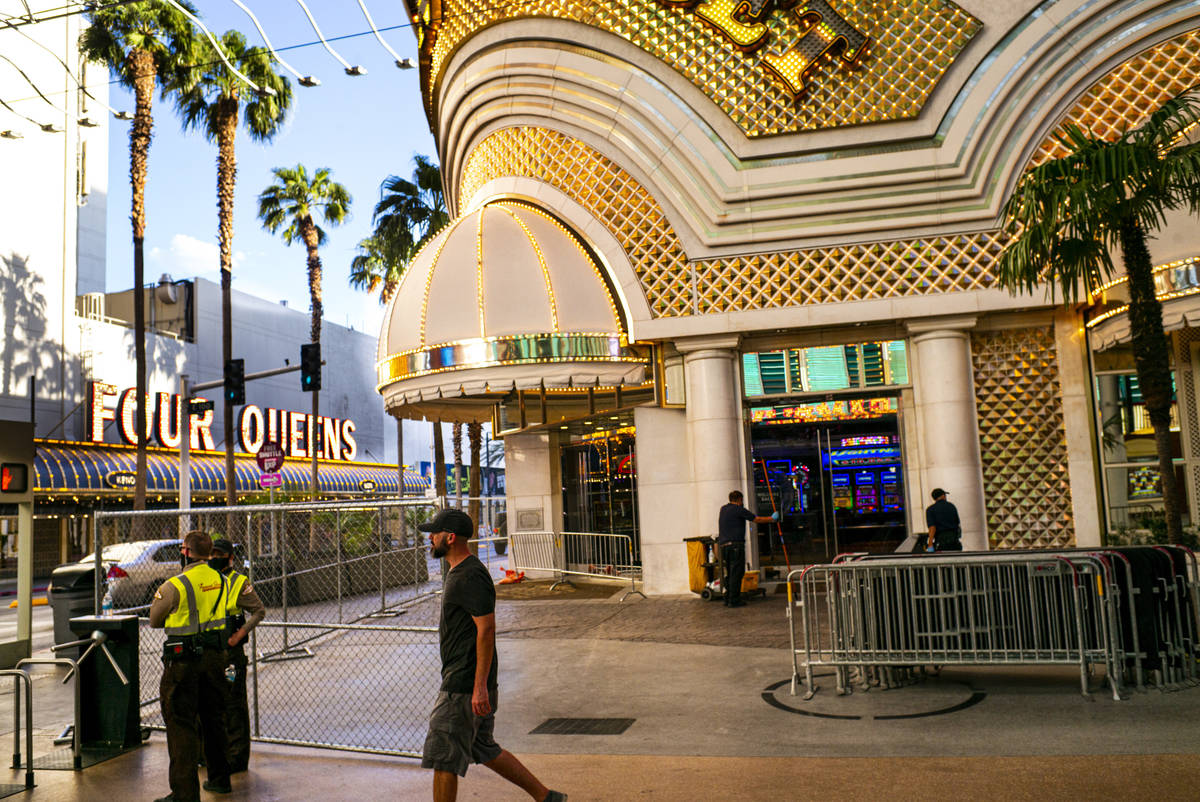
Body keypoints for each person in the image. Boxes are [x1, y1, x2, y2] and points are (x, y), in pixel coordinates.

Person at [417, 508, 566, 802]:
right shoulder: (460, 572)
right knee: (483, 748)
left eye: (434, 533)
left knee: (443, 757)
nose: (430, 538)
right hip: (469, 682)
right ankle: (547, 797)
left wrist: (479, 687)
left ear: (450, 537)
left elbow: (486, 630)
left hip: (463, 685)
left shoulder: (469, 575)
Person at [148, 530, 232, 802]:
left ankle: (185, 795)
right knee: (214, 719)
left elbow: (154, 620)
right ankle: (220, 780)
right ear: (209, 553)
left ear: (185, 552)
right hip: (216, 658)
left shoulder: (176, 585)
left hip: (183, 663)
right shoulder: (222, 580)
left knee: (181, 725)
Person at [209, 538, 265, 774]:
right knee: (212, 704)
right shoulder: (207, 580)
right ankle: (214, 754)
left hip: (231, 656)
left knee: (233, 704)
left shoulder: (239, 582)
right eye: (211, 553)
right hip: (212, 653)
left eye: (219, 554)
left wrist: (240, 633)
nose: (214, 557)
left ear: (230, 557)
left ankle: (237, 758)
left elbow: (259, 611)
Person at [716, 490, 778, 607]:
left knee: (730, 573)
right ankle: (734, 600)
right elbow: (756, 519)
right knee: (737, 574)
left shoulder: (723, 509)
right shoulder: (739, 509)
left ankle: (728, 597)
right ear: (740, 499)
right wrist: (772, 518)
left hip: (724, 547)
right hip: (735, 546)